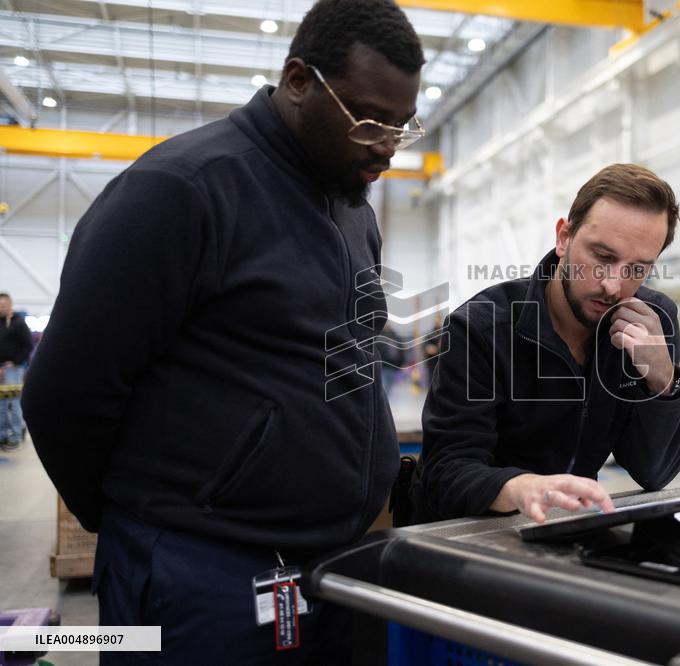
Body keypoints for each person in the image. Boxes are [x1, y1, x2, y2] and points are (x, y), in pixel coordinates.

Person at [21, 1, 424, 662]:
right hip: (197, 581)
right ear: (299, 82)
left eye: (401, 126)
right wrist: (146, 521)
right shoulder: (181, 190)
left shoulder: (353, 211)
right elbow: (63, 393)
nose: (384, 145)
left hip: (322, 564)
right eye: (367, 119)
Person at [410, 164, 680, 524]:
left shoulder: (652, 324)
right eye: (602, 258)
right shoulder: (482, 328)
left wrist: (664, 380)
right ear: (564, 237)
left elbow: (655, 473)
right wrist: (519, 488)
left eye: (637, 269)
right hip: (466, 534)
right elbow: (446, 472)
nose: (613, 285)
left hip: (564, 529)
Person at [0, 292, 32, 450]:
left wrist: (14, 362)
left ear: (10, 305)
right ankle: (2, 435)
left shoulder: (18, 323)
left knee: (12, 404)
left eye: (3, 305)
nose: (1, 308)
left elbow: (28, 345)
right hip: (0, 370)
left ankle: (15, 435)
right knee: (1, 405)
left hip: (13, 369)